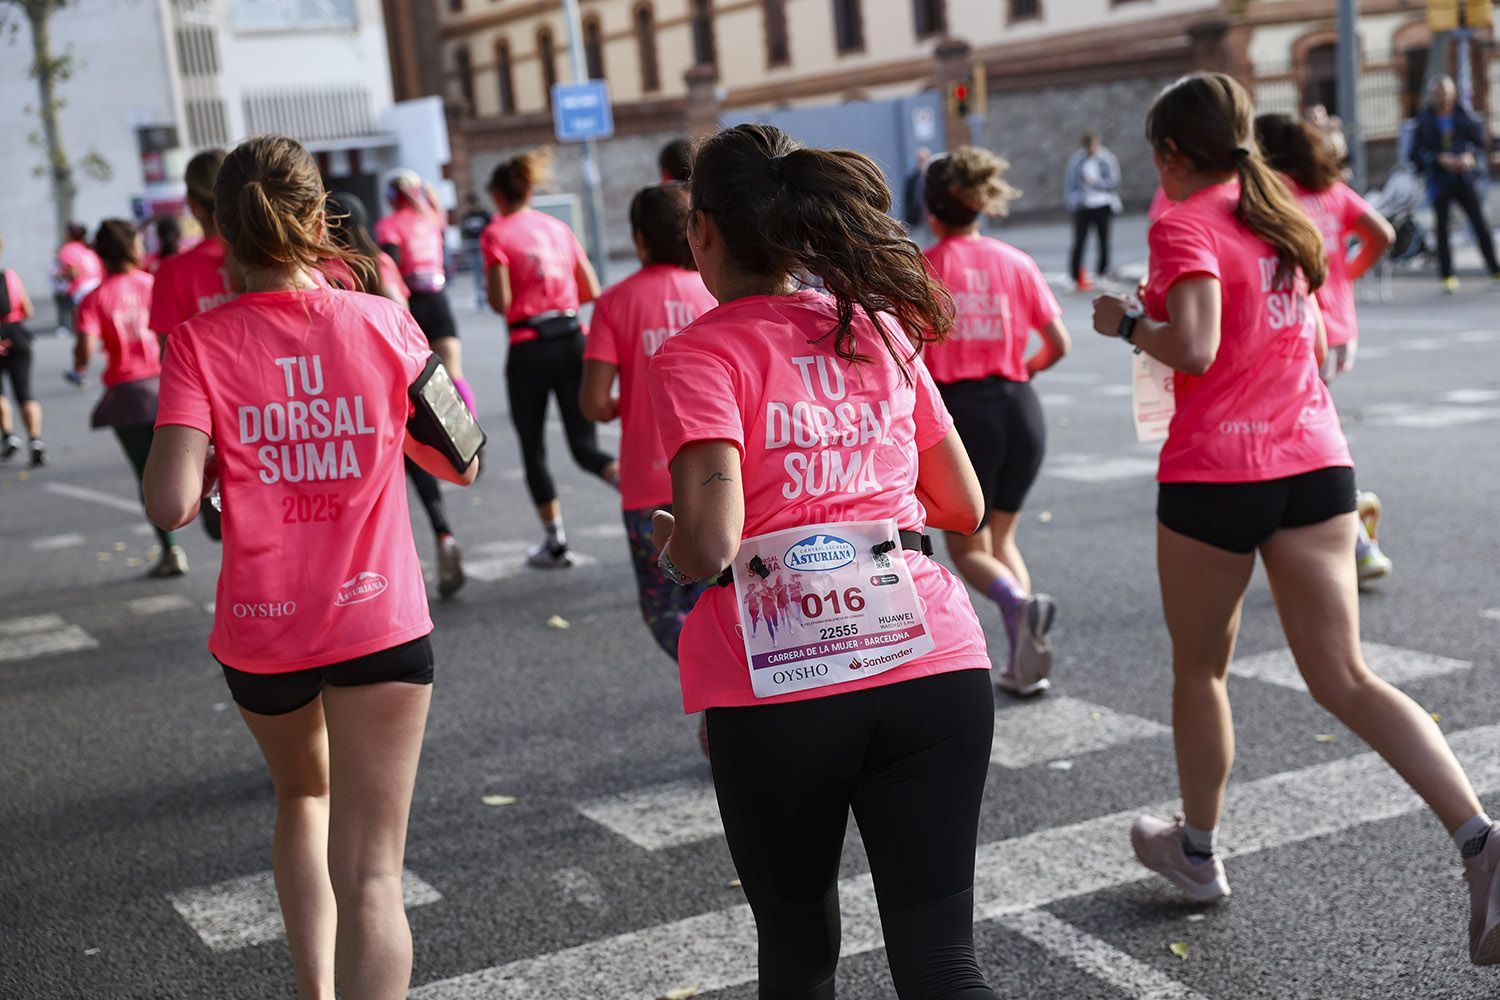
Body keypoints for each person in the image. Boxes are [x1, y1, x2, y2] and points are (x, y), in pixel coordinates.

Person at [1091, 73, 1500, 967]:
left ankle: (1196, 854)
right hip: (1316, 463)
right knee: (1347, 676)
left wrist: (1126, 323)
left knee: (1202, 670)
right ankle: (1480, 838)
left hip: (1217, 472)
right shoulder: (1285, 213)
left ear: (1170, 153)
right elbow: (1306, 337)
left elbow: (1192, 345)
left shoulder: (1184, 220)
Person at [647, 122, 1000, 998]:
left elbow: (710, 542)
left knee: (800, 957)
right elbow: (964, 506)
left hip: (778, 690)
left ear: (703, 231)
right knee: (943, 963)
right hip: (931, 661)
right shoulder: (879, 330)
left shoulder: (700, 353)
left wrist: (670, 541)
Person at [143, 134, 478, 999]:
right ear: (317, 217)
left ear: (220, 230)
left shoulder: (196, 342)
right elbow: (463, 459)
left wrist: (222, 451)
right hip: (380, 620)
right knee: (374, 876)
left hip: (263, 631)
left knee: (301, 798)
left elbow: (170, 505)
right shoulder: (384, 320)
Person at [923, 148, 1071, 696]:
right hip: (1021, 407)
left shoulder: (924, 267)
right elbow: (1058, 344)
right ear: (980, 205)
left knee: (967, 550)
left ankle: (1015, 605)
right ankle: (1024, 656)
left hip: (965, 414)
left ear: (932, 209)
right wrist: (1014, 372)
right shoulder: (1015, 260)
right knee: (1002, 538)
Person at [579, 184, 715, 705]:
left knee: (663, 606)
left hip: (646, 486)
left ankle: (709, 682)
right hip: (720, 479)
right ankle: (729, 683)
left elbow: (594, 404)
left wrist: (626, 402)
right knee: (724, 599)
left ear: (638, 241)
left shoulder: (615, 303)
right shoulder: (713, 293)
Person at [1256, 112, 1397, 583]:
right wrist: (1347, 275)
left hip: (1305, 331)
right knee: (1306, 430)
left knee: (1308, 438)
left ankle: (1356, 535)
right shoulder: (1332, 192)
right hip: (1342, 328)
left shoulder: (1279, 197)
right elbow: (1384, 234)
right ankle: (1346, 517)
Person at [328, 190, 468, 598]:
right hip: (393, 380)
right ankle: (443, 535)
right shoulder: (383, 263)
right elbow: (400, 319)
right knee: (418, 464)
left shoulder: (328, 270)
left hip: (350, 388)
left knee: (362, 482)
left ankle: (365, 572)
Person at [482, 148, 617, 568]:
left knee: (533, 448)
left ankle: (555, 543)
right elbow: (590, 288)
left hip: (529, 346)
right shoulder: (558, 228)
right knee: (583, 448)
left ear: (499, 196)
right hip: (573, 338)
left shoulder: (497, 232)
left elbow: (501, 300)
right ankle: (651, 501)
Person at [72, 219, 186, 577]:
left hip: (127, 396)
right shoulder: (153, 284)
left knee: (148, 474)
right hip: (169, 388)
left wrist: (80, 365)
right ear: (132, 248)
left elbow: (85, 348)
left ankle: (170, 551)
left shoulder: (95, 297)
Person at [150, 148, 234, 541]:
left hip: (214, 428)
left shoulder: (173, 273)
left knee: (233, 535)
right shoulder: (267, 260)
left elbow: (171, 361)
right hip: (281, 414)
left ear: (193, 204)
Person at [375, 171, 477, 417]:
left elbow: (392, 265)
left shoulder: (389, 225)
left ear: (391, 196)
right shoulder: (431, 217)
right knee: (454, 372)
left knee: (415, 377)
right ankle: (471, 435)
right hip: (438, 300)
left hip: (411, 304)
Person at [1411, 76, 1500, 293]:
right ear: (1434, 95)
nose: (1443, 97)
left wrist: (1469, 157)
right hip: (1439, 182)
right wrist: (1439, 159)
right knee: (1442, 229)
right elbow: (1415, 154)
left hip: (1463, 179)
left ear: (1453, 94)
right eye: (1439, 93)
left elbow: (1479, 146)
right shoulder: (1425, 119)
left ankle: (1494, 268)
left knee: (1480, 223)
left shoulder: (1463, 115)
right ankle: (1447, 275)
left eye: (1446, 93)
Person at [0, 236, 44, 465]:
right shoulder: (11, 276)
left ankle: (8, 436)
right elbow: (28, 310)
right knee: (25, 393)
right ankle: (35, 439)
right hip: (18, 337)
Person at [1063, 132, 1122, 291]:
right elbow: (1070, 184)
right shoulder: (1077, 161)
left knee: (1103, 240)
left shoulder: (1106, 159)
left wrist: (1096, 182)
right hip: (1083, 205)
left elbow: (1114, 182)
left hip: (1102, 204)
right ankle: (1075, 276)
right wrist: (1072, 202)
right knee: (1079, 241)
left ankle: (1102, 273)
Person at [56, 222, 103, 333]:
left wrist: (62, 275)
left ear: (70, 234)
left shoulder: (68, 249)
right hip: (98, 283)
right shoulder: (88, 248)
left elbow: (73, 272)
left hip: (82, 288)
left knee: (83, 325)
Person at [458, 193, 492, 310]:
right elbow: (463, 232)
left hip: (483, 249)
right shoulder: (466, 217)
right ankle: (480, 295)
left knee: (486, 273)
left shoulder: (484, 214)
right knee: (476, 273)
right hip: (472, 249)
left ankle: (488, 295)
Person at [902, 146, 933, 229]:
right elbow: (908, 200)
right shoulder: (912, 178)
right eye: (920, 160)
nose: (922, 162)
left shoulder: (934, 176)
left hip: (932, 219)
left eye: (924, 159)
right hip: (917, 220)